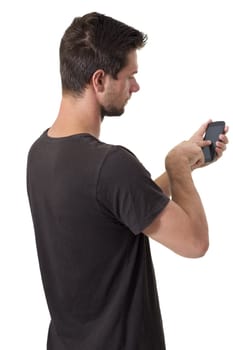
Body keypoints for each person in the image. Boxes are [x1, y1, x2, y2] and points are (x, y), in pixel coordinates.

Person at [26, 12, 229, 350]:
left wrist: (186, 168)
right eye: (130, 76)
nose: (136, 86)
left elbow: (119, 207)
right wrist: (176, 164)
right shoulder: (111, 165)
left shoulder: (40, 153)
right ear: (99, 80)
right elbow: (195, 243)